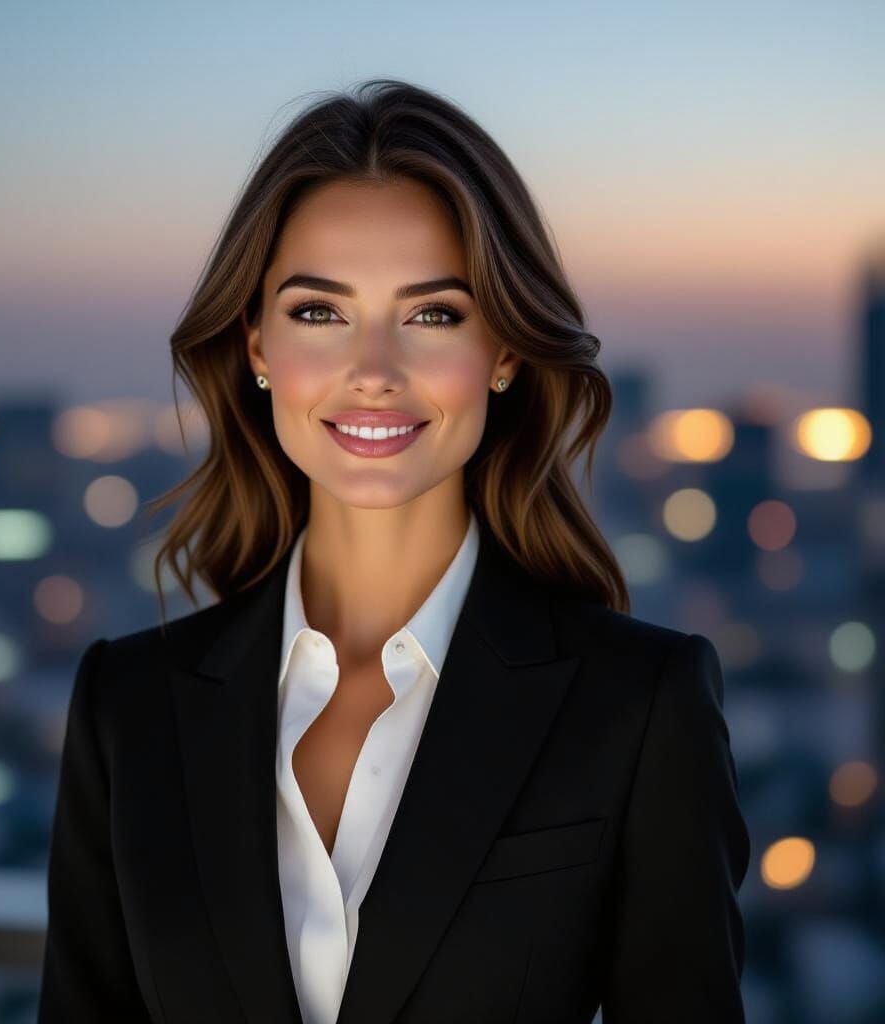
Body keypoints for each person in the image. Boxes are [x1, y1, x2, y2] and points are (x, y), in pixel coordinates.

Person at [37, 79, 750, 1024]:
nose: (373, 370)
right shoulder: (127, 709)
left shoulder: (641, 704)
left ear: (503, 350)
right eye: (320, 313)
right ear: (256, 343)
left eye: (433, 314)